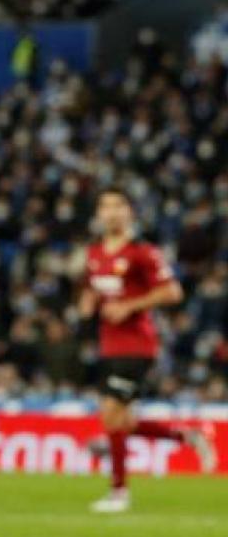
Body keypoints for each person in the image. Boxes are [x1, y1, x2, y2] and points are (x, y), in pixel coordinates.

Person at [79, 188, 216, 513]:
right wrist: (88, 303)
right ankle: (188, 437)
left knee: (111, 415)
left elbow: (172, 291)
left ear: (129, 213)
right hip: (108, 345)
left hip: (138, 345)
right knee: (120, 421)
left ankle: (118, 493)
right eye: (105, 206)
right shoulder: (95, 254)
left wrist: (131, 305)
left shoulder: (143, 252)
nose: (111, 212)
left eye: (118, 206)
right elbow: (93, 290)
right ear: (98, 215)